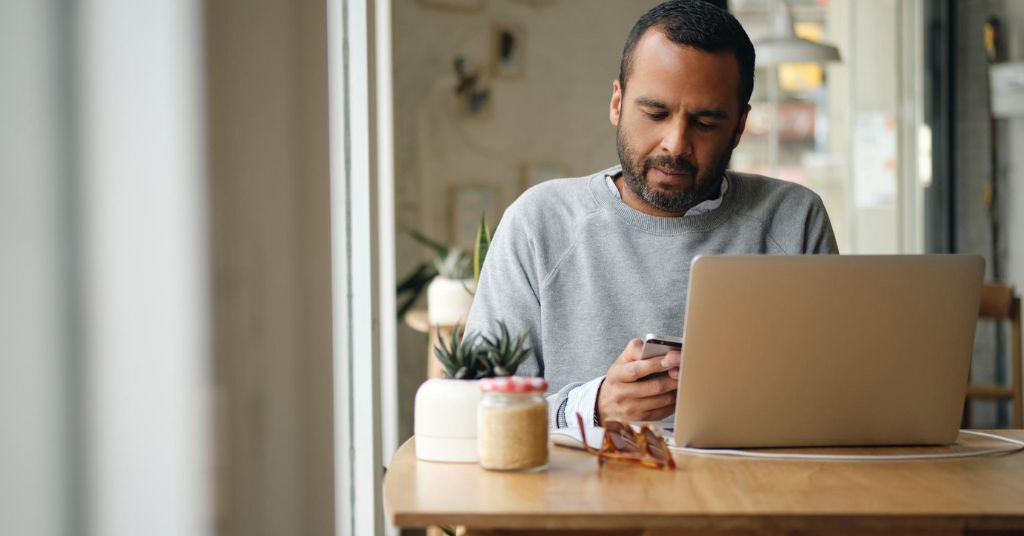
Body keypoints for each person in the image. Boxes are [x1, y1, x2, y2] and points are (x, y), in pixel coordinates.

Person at [465, 0, 838, 430]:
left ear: (738, 127)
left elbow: (833, 399)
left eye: (705, 122)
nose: (676, 144)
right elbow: (479, 412)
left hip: (749, 490)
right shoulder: (539, 223)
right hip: (584, 495)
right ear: (617, 103)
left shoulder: (793, 219)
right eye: (655, 113)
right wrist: (597, 405)